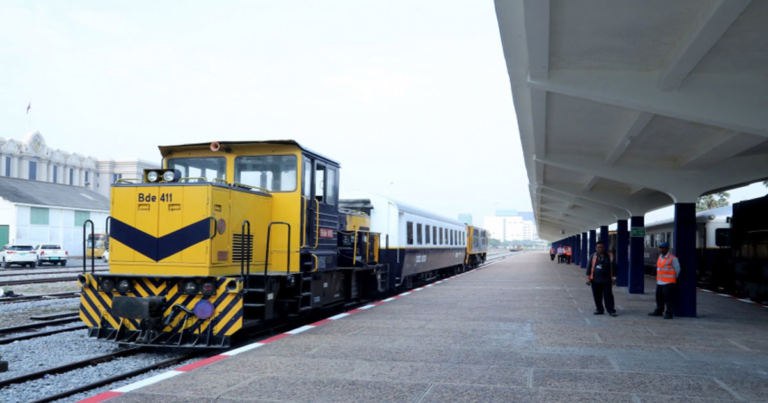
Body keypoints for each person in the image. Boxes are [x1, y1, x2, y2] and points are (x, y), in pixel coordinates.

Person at [649, 241, 680, 319]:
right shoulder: (660, 257)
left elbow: (678, 270)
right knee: (659, 297)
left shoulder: (673, 258)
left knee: (668, 298)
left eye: (663, 248)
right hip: (660, 282)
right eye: (661, 248)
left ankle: (669, 313)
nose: (661, 250)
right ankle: (659, 311)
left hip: (669, 282)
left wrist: (673, 278)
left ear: (667, 249)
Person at [585, 241, 617, 316]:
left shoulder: (609, 256)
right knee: (597, 296)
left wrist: (614, 278)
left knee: (608, 295)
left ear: (604, 248)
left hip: (607, 280)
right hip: (595, 280)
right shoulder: (593, 256)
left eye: (601, 247)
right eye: (598, 247)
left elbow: (614, 267)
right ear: (596, 248)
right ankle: (599, 309)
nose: (600, 249)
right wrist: (588, 278)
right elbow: (589, 267)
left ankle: (611, 310)